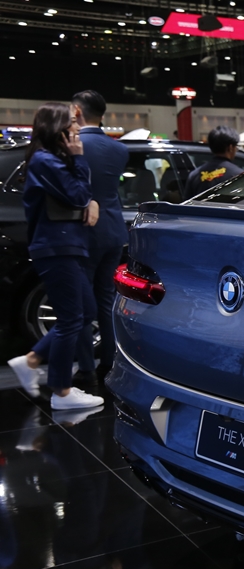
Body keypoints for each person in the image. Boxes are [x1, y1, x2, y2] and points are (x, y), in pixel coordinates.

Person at [6, 103, 104, 410]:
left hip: (66, 246)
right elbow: (78, 195)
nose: (77, 129)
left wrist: (90, 199)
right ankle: (61, 391)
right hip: (56, 247)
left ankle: (32, 359)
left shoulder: (51, 160)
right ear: (57, 128)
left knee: (85, 312)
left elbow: (79, 196)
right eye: (71, 123)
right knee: (72, 317)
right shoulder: (45, 160)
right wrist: (79, 159)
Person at [71, 90, 128, 387]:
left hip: (83, 230)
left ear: (77, 111)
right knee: (106, 300)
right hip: (114, 230)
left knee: (80, 303)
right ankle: (109, 361)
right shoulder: (119, 149)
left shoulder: (73, 145)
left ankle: (85, 368)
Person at [183, 126, 244, 198]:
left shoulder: (194, 175)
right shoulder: (239, 175)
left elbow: (188, 202)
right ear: (230, 147)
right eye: (236, 146)